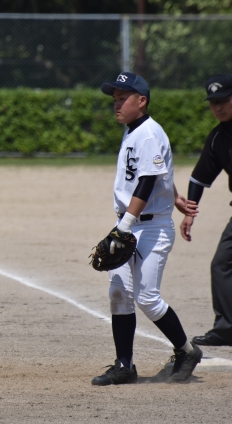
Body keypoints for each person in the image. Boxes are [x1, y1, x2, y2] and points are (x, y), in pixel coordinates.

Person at [91, 72, 202, 386]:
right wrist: (175, 195)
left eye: (122, 98)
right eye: (114, 99)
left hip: (150, 227)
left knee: (147, 298)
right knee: (119, 293)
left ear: (141, 101)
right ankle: (124, 366)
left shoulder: (149, 133)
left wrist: (123, 227)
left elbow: (148, 180)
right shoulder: (134, 131)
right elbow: (156, 170)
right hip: (129, 223)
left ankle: (187, 351)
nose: (117, 104)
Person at [180, 74, 232, 347]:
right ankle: (226, 329)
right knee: (221, 264)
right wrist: (190, 212)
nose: (218, 107)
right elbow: (199, 177)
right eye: (213, 103)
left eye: (224, 100)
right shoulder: (218, 138)